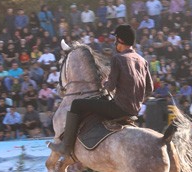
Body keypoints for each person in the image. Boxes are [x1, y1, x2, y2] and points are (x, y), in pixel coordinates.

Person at [49, 24, 153, 155]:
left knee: (77, 104)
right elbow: (150, 89)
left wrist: (104, 84)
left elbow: (110, 87)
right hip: (135, 110)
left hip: (118, 108)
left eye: (116, 39)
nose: (115, 43)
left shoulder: (118, 58)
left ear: (120, 40)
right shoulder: (143, 60)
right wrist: (135, 100)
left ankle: (65, 146)